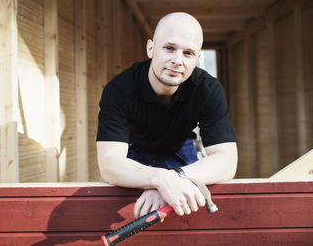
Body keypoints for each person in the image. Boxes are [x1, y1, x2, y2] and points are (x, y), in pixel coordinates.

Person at [96, 12, 238, 219]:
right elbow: (109, 165)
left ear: (198, 58)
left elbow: (227, 161)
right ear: (151, 49)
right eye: (169, 48)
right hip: (135, 152)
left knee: (192, 211)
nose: (177, 61)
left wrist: (175, 178)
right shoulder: (119, 89)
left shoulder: (208, 89)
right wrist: (158, 179)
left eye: (188, 53)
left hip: (180, 148)